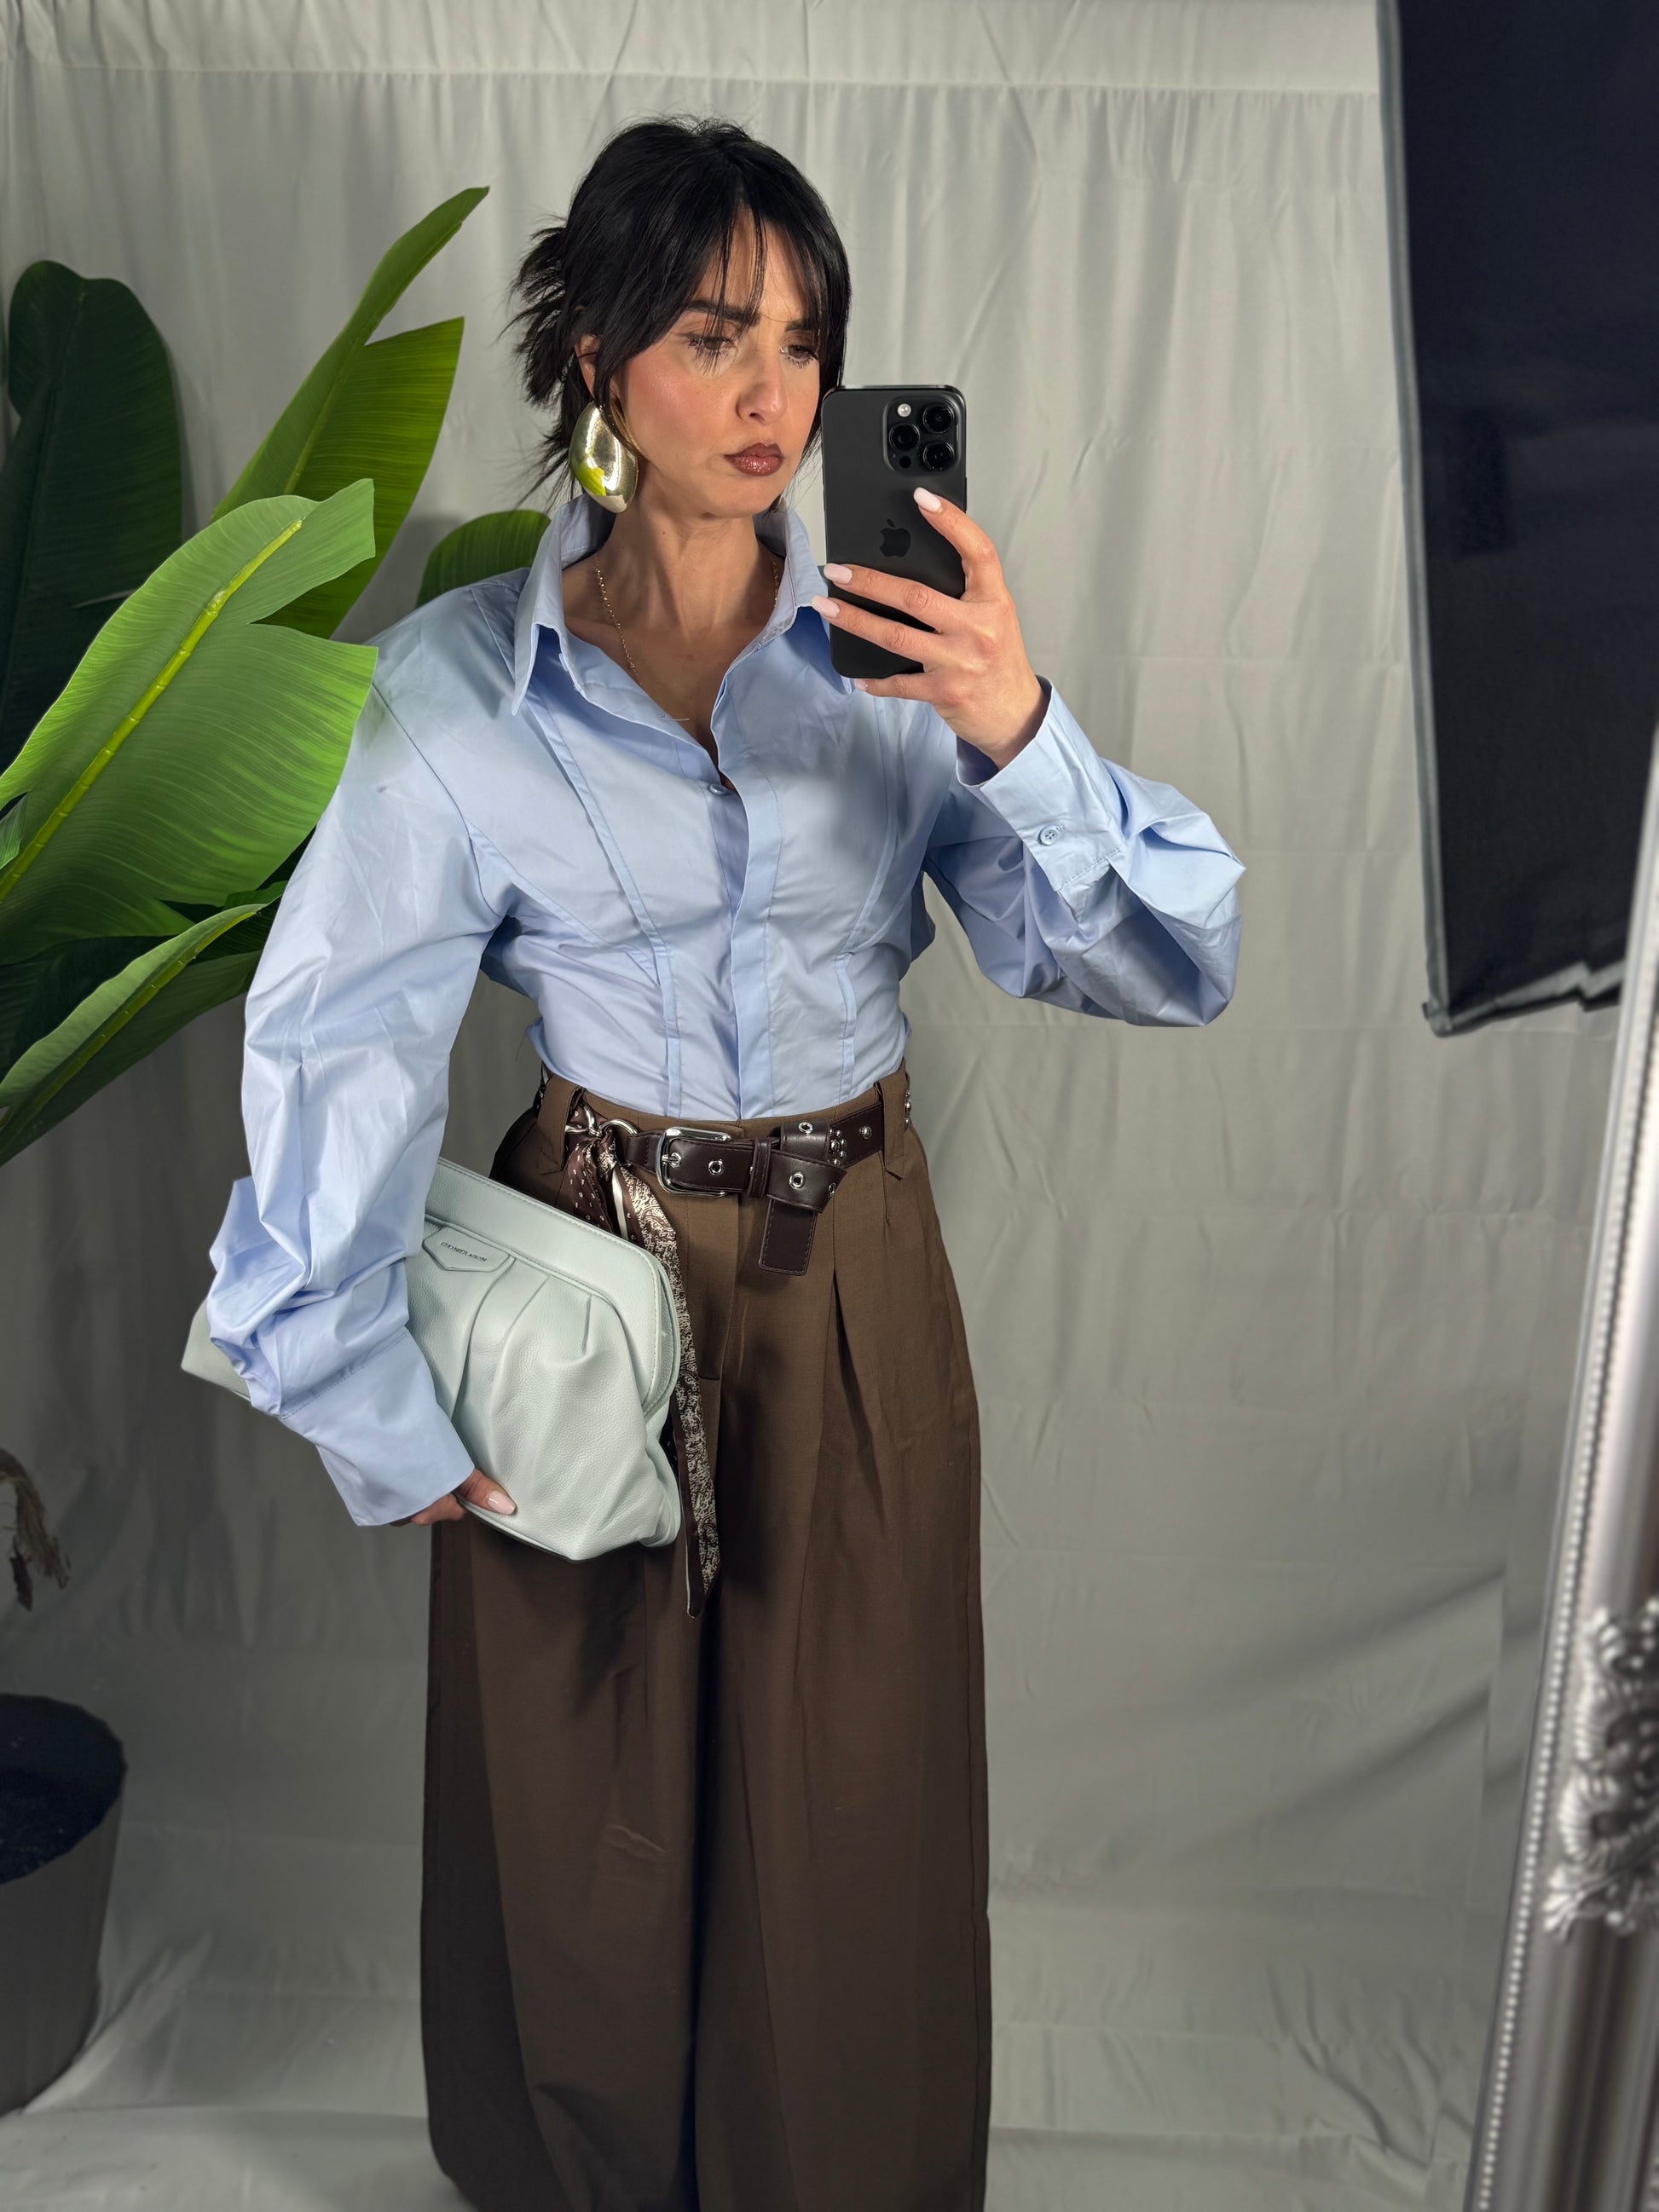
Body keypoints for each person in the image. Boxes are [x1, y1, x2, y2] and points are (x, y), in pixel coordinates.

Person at [205, 114, 1243, 2212]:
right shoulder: (461, 693)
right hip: (579, 1279)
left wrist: (1016, 720)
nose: (771, 391)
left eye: (802, 339)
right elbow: (339, 1036)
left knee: (848, 1796)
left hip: (851, 1265)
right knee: (581, 1802)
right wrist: (373, 1395)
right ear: (597, 357)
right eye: (711, 335)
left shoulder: (896, 667)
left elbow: (1164, 963)